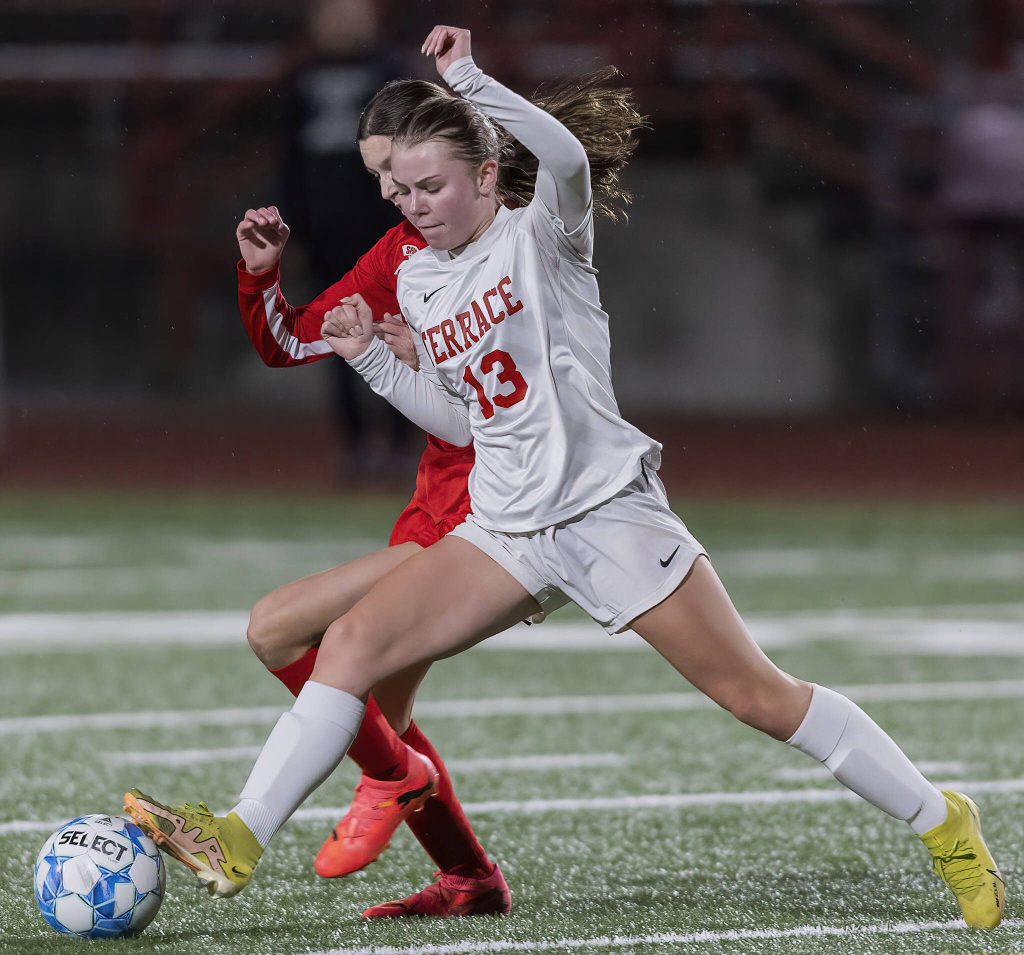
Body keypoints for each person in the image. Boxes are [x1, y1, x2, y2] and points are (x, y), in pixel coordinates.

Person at [126, 26, 1004, 931]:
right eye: (398, 190)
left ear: (484, 168)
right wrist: (374, 364)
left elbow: (568, 153)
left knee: (758, 696)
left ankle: (942, 819)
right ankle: (239, 832)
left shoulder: (543, 228)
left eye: (431, 185)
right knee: (348, 645)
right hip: (504, 526)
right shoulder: (421, 278)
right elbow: (469, 421)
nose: (414, 205)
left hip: (607, 514)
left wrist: (469, 78)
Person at [135, 62, 646, 919]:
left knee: (310, 648)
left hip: (507, 511)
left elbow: (524, 372)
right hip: (444, 500)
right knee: (365, 695)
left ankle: (364, 796)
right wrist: (266, 280)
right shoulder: (404, 255)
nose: (392, 193)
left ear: (461, 164)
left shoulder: (517, 236)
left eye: (403, 173)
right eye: (382, 178)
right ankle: (466, 873)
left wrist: (409, 356)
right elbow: (298, 342)